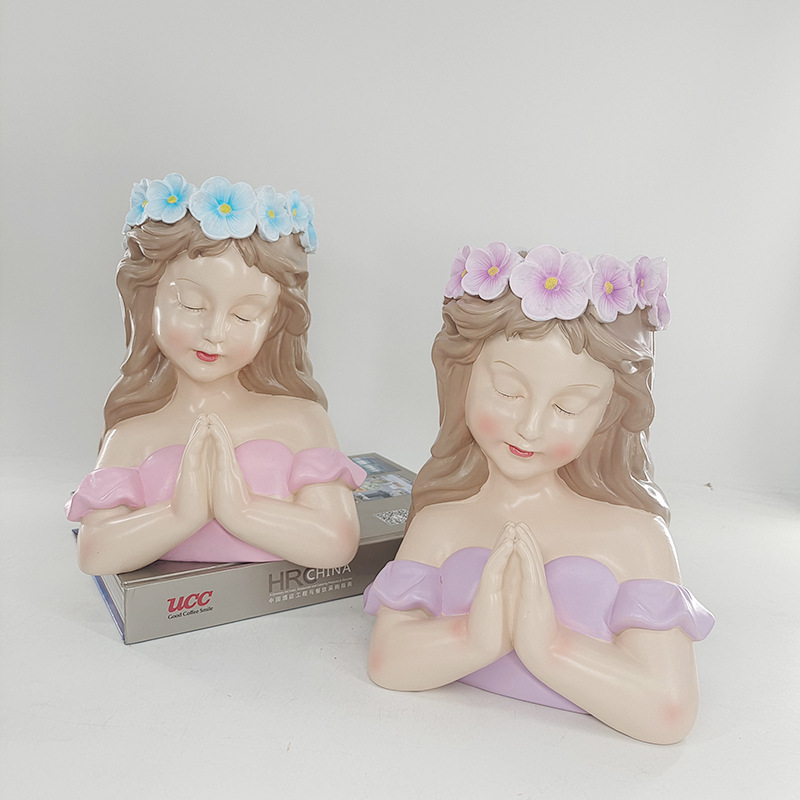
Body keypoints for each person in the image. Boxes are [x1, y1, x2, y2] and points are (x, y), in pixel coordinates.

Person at [365, 242, 713, 744]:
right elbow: (387, 660)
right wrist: (475, 636)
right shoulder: (441, 523)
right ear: (463, 378)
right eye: (508, 392)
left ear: (607, 414)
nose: (530, 427)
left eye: (568, 408)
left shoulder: (635, 538)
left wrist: (548, 646)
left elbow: (669, 710)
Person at [67, 174, 365, 575]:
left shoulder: (301, 420)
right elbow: (94, 553)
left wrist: (240, 509)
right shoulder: (132, 436)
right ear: (148, 296)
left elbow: (337, 542)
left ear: (274, 321)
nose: (215, 332)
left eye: (245, 315)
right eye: (191, 304)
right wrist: (182, 513)